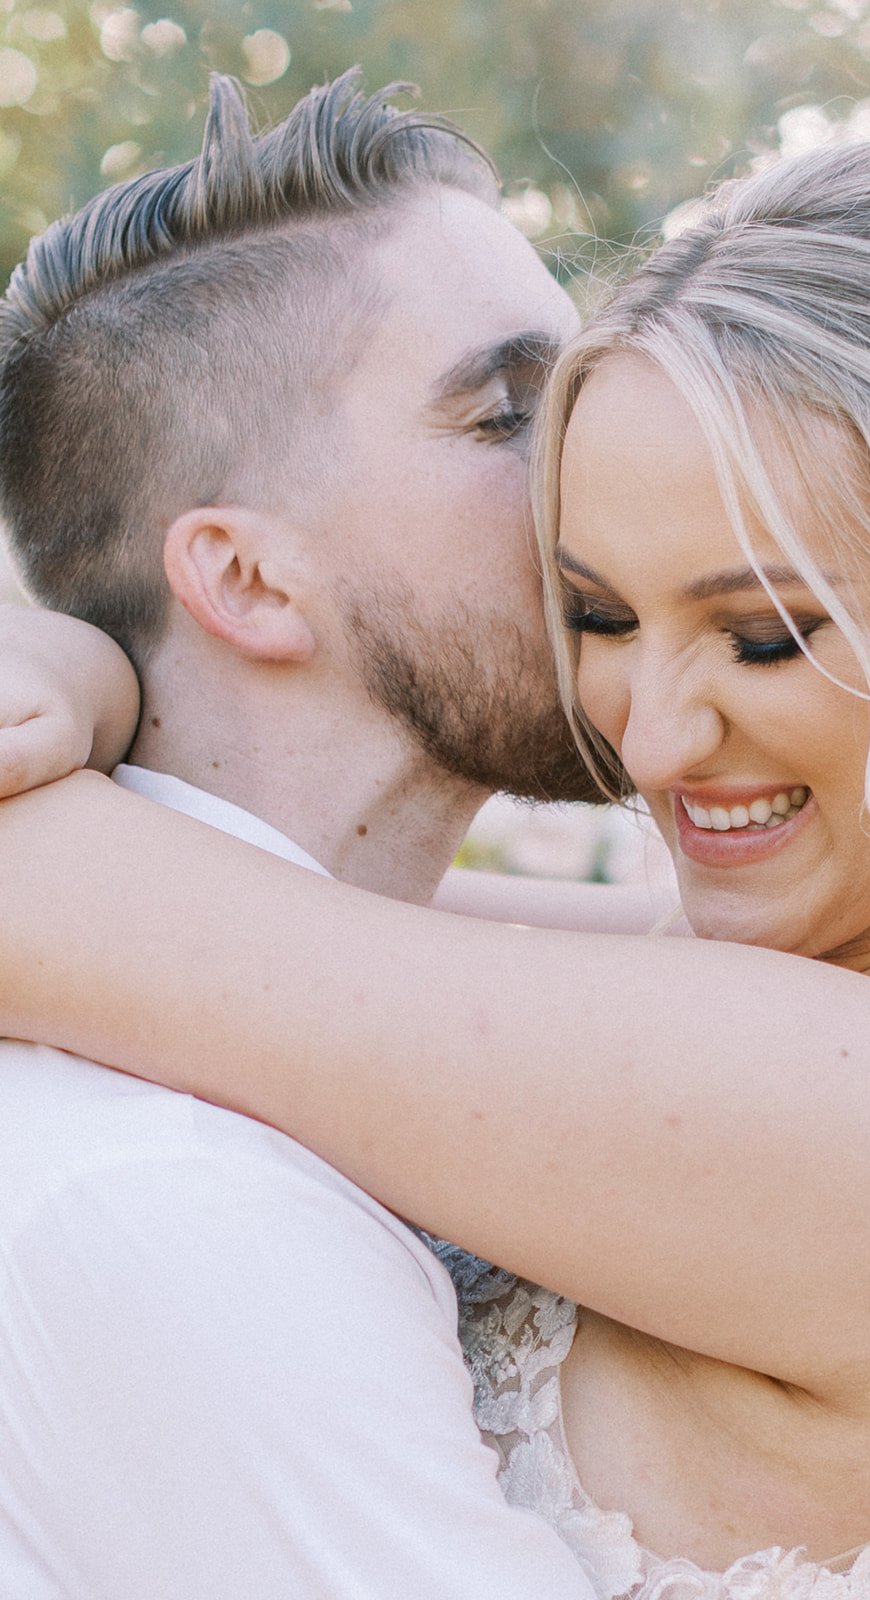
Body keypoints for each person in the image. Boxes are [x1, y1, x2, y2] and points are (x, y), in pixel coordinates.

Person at [2, 138, 870, 1599]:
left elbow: (77, 912)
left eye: (765, 635)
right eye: (600, 612)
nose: (655, 732)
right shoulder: (863, 998)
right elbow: (348, 926)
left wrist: (79, 668)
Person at [0, 65, 614, 1600]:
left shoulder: (336, 1044)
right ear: (252, 582)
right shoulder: (182, 1199)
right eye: (512, 412)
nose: (606, 470)